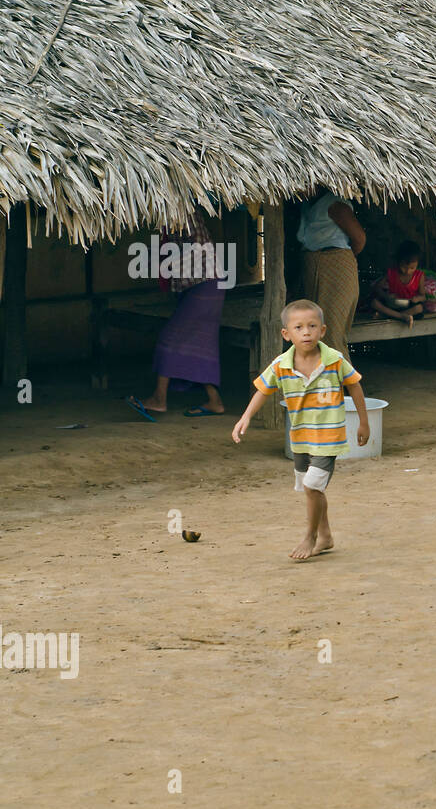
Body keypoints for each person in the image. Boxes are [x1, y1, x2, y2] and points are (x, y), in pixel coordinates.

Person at [231, 299, 370, 561]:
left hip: (328, 438)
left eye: (312, 326)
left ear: (323, 331)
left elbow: (355, 385)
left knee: (311, 487)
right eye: (299, 327)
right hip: (300, 439)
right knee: (313, 490)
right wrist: (245, 417)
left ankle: (310, 536)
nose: (306, 332)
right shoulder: (281, 365)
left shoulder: (335, 361)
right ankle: (326, 535)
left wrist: (363, 421)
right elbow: (263, 390)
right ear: (286, 334)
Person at [127, 211, 227, 419]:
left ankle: (159, 399)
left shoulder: (184, 214)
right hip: (202, 284)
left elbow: (201, 246)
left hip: (205, 283)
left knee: (169, 339)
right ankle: (214, 401)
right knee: (199, 345)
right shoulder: (170, 219)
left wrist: (169, 263)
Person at [298, 189, 366, 359]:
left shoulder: (335, 205)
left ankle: (346, 384)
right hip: (313, 266)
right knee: (315, 330)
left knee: (331, 333)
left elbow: (359, 239)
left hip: (336, 266)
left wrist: (338, 259)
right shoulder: (306, 205)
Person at [367, 241, 436, 326]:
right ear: (398, 262)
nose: (408, 271)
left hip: (408, 306)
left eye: (412, 268)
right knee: (374, 303)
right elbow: (377, 288)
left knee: (419, 308)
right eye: (404, 267)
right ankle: (401, 316)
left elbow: (423, 296)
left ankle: (388, 315)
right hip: (392, 304)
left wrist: (417, 299)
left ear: (417, 264)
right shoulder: (391, 273)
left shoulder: (419, 276)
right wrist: (386, 296)